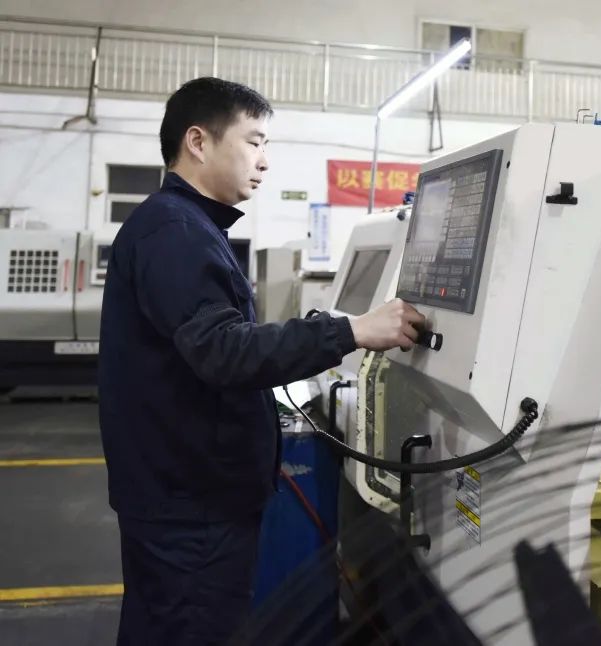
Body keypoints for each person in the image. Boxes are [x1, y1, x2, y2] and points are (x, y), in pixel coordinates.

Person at [98, 77, 425, 645]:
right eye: (254, 141)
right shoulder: (176, 231)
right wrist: (353, 330)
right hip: (191, 507)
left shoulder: (185, 225)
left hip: (181, 494)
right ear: (198, 142)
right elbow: (224, 350)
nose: (265, 161)